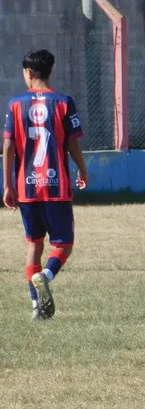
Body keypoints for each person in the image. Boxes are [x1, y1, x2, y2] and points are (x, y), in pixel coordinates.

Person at [3, 49, 89, 321]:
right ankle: (46, 275)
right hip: (56, 186)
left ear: (28, 73)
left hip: (27, 188)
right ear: (49, 72)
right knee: (64, 245)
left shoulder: (16, 104)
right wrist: (83, 170)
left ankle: (36, 308)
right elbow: (72, 143)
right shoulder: (64, 102)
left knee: (33, 245)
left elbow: (8, 146)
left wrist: (7, 185)